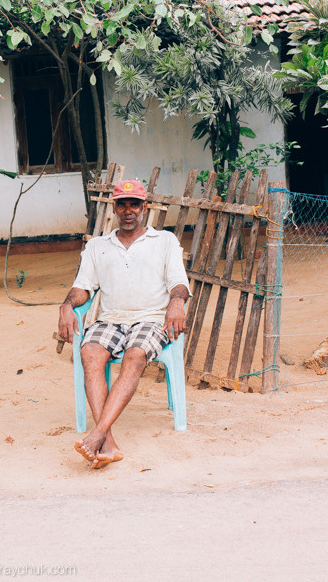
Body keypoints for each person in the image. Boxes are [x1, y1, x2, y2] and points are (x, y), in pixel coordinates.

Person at [58, 179, 191, 469]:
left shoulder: (164, 241)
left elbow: (179, 283)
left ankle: (96, 435)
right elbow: (83, 287)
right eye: (122, 204)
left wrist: (177, 302)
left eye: (134, 204)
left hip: (152, 319)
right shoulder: (97, 246)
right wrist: (67, 305)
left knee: (134, 356)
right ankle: (108, 441)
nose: (128, 210)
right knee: (90, 353)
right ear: (114, 208)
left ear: (145, 208)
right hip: (111, 319)